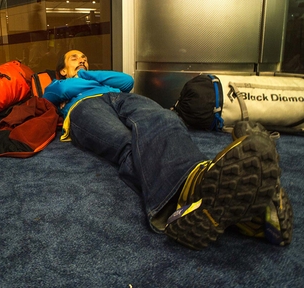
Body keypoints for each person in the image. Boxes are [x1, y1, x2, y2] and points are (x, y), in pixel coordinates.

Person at [43, 50, 293, 250]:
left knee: (164, 119)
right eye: (74, 58)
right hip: (84, 108)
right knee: (129, 145)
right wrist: (84, 77)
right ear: (62, 70)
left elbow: (126, 82)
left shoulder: (96, 78)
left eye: (85, 57)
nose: (82, 59)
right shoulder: (56, 84)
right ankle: (239, 210)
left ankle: (213, 198)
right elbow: (64, 91)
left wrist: (87, 72)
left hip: (120, 98)